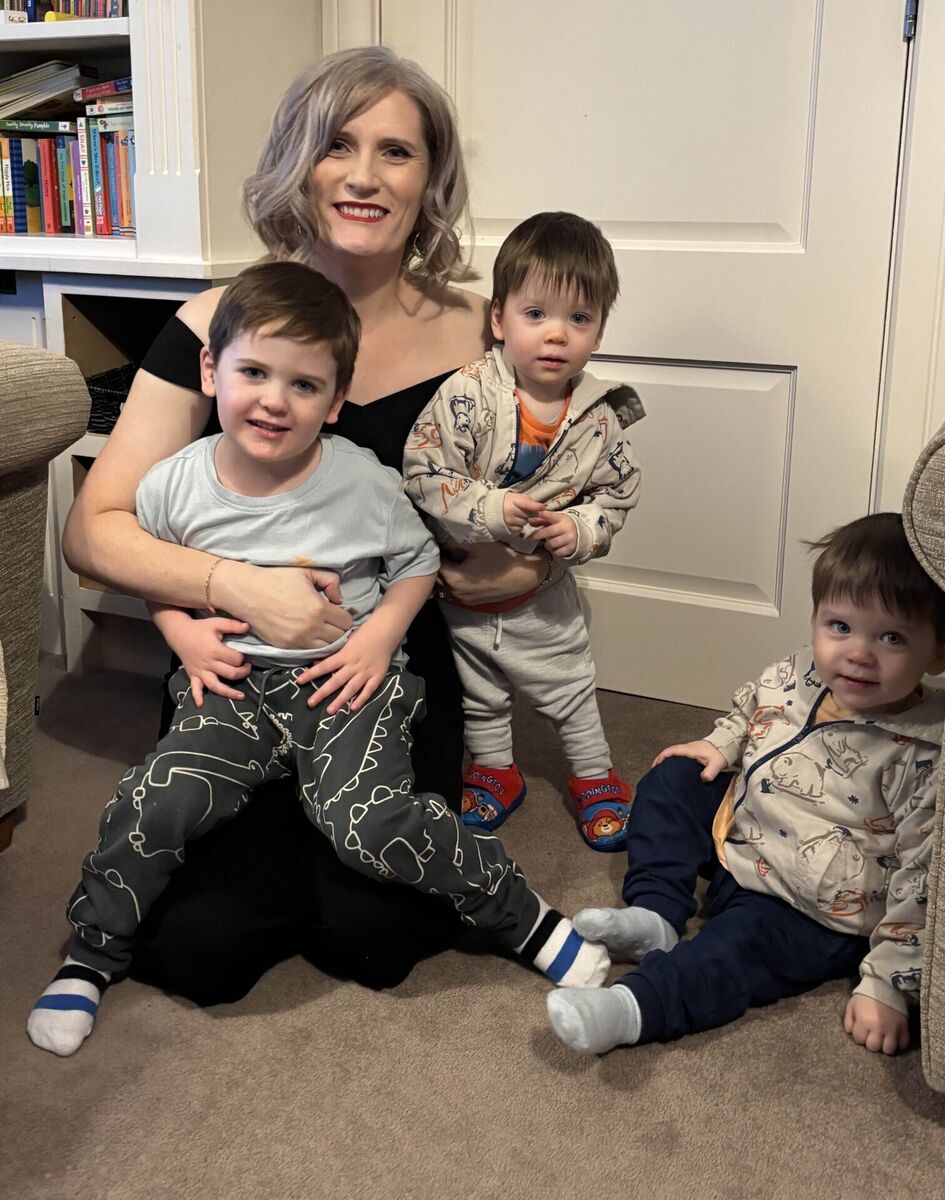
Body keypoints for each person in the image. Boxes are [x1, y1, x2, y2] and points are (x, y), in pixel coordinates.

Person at [59, 47, 552, 1003]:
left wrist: (522, 570)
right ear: (299, 162)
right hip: (232, 666)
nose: (364, 176)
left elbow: (545, 498)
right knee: (198, 950)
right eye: (337, 145)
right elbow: (93, 531)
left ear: (430, 178)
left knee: (374, 935)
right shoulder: (216, 324)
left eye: (395, 152)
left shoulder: (486, 332)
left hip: (382, 667)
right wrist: (236, 587)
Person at [28, 263, 610, 1057]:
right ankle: (90, 956)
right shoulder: (171, 485)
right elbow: (149, 567)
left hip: (345, 683)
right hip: (230, 685)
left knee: (366, 824)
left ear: (335, 402)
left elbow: (416, 564)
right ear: (211, 371)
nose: (274, 400)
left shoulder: (361, 480)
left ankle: (527, 920)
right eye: (254, 373)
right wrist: (179, 631)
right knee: (158, 800)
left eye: (303, 385)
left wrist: (378, 638)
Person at [546, 512, 945, 1055]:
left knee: (731, 950)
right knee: (673, 778)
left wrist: (888, 982)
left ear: (941, 651)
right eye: (839, 627)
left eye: (891, 637)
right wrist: (721, 745)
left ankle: (636, 1007)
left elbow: (923, 880)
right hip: (743, 838)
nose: (858, 653)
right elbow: (755, 709)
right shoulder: (800, 673)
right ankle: (656, 912)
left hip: (809, 908)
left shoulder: (926, 755)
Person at [403, 212, 642, 851]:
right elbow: (422, 472)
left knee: (570, 691)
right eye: (535, 314)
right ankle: (496, 772)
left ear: (598, 331)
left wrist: (582, 529)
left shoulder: (599, 418)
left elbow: (617, 495)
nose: (556, 334)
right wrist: (487, 507)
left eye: (579, 319)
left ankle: (595, 778)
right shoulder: (467, 394)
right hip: (462, 594)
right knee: (480, 693)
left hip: (543, 599)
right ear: (499, 319)